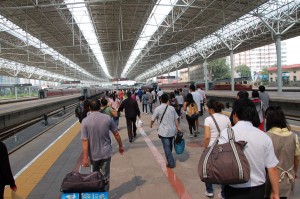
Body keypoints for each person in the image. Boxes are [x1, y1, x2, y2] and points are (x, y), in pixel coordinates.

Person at [218, 98, 280, 199]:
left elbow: (220, 160)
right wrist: (275, 193)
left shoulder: (226, 133)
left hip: (233, 188)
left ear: (235, 114)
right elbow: (272, 168)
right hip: (257, 190)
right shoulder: (264, 136)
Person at [81, 99, 124, 191]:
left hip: (93, 154)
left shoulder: (85, 121)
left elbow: (85, 141)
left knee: (94, 175)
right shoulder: (107, 118)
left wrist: (85, 158)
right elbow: (116, 133)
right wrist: (120, 146)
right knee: (106, 176)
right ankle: (105, 194)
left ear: (89, 108)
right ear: (100, 106)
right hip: (106, 153)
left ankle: (97, 193)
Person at [265, 106, 300, 199]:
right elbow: (296, 158)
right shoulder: (293, 136)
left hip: (270, 180)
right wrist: (295, 172)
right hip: (288, 178)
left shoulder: (266, 136)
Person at [203, 99, 230, 198]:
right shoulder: (226, 118)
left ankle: (209, 191)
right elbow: (230, 132)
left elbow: (206, 137)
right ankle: (223, 193)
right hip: (224, 147)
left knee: (208, 169)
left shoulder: (208, 119)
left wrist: (205, 148)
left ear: (211, 109)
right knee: (223, 170)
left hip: (211, 147)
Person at [150, 94, 181, 168]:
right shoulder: (172, 108)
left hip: (163, 131)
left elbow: (153, 119)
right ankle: (169, 159)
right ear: (168, 100)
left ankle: (171, 163)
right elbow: (176, 119)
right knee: (169, 145)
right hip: (172, 130)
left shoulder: (158, 109)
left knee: (166, 146)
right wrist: (178, 127)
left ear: (160, 100)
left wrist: (151, 124)